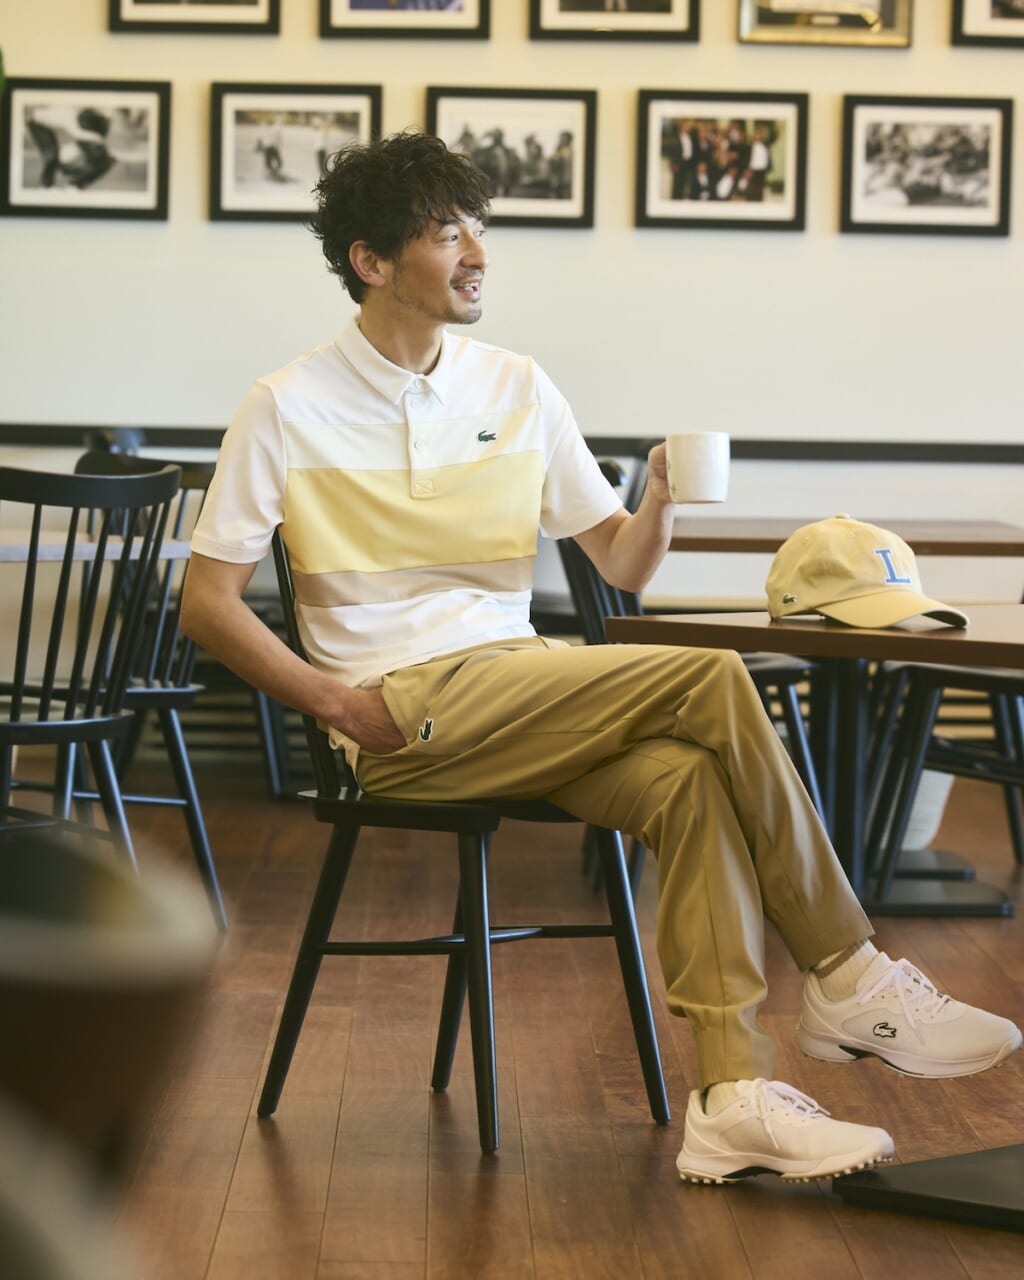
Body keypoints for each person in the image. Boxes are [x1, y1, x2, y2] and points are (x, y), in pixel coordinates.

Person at [181, 131, 1021, 1185]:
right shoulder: (286, 404)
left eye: (478, 228)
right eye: (447, 234)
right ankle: (849, 970)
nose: (478, 253)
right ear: (372, 261)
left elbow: (620, 560)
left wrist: (657, 497)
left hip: (517, 680)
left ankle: (731, 1099)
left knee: (689, 780)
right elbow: (206, 606)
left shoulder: (518, 386)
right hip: (399, 710)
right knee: (710, 671)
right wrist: (341, 710)